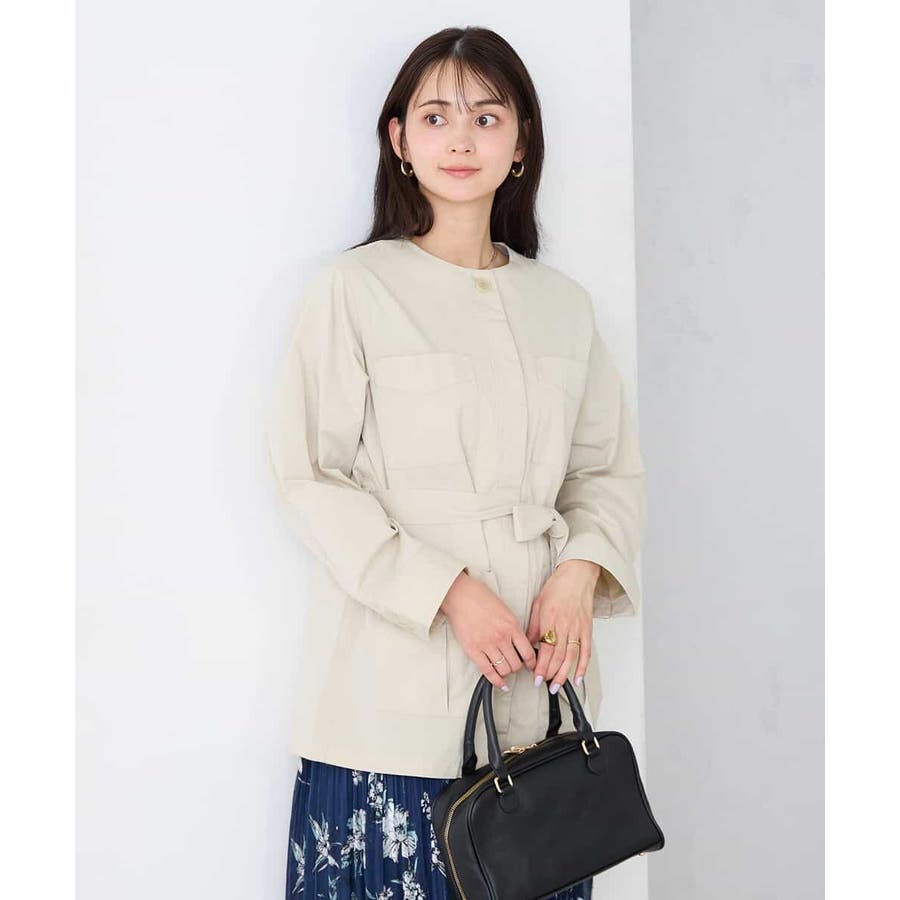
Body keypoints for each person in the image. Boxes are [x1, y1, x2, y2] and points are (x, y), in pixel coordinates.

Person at [266, 25, 647, 900]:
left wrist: (580, 571)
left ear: (522, 143)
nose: (462, 138)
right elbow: (309, 475)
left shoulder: (563, 305)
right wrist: (448, 590)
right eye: (436, 116)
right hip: (386, 704)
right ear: (399, 140)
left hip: (539, 709)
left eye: (487, 116)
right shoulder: (355, 289)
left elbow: (604, 471)